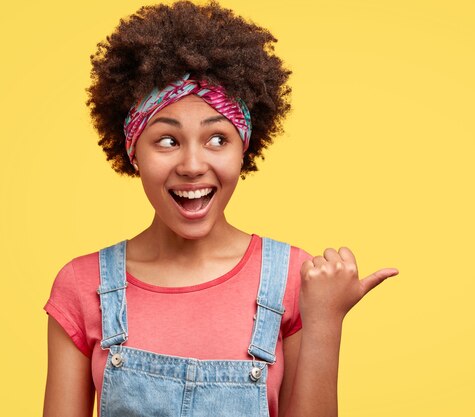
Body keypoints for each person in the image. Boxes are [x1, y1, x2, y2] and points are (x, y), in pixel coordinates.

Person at [42, 1, 398, 416]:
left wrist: (325, 322)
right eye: (168, 141)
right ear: (132, 152)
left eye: (217, 140)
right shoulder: (82, 287)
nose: (193, 166)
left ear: (244, 149)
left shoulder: (293, 279)